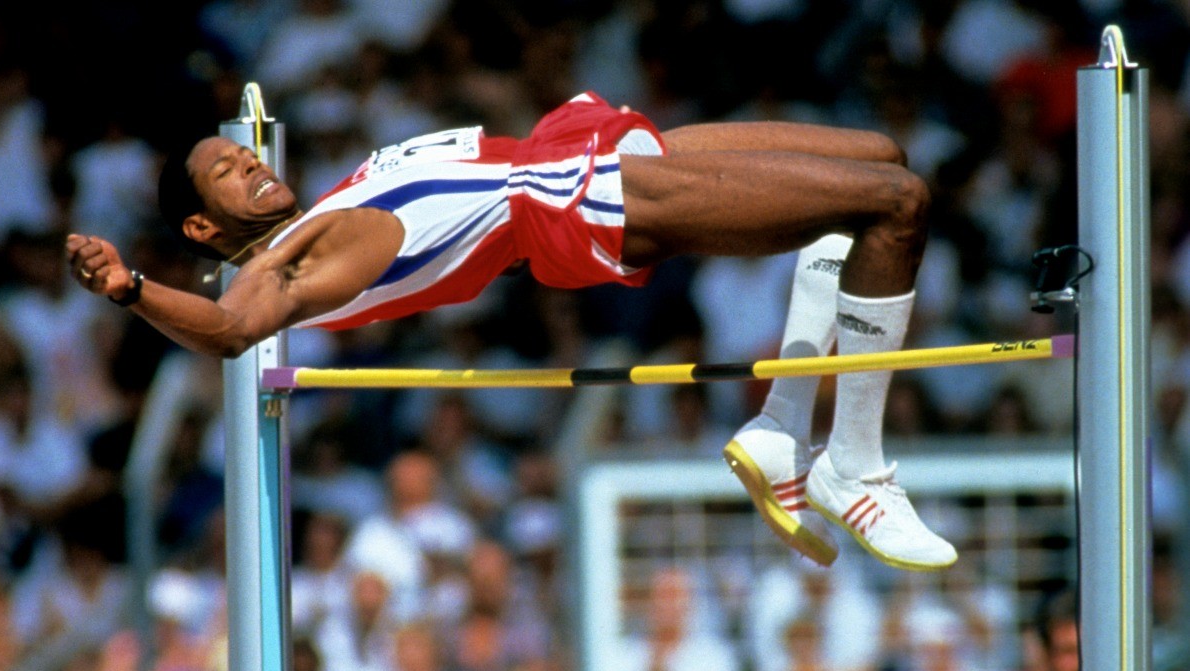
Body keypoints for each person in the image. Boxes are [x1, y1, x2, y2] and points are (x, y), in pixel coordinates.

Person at [65, 91, 956, 570]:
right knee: (895, 208)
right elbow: (227, 329)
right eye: (226, 171)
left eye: (246, 153)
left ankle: (780, 431)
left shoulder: (327, 202)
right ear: (201, 229)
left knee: (880, 162)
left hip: (576, 150)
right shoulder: (279, 269)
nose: (250, 163)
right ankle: (854, 465)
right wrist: (131, 288)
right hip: (576, 202)